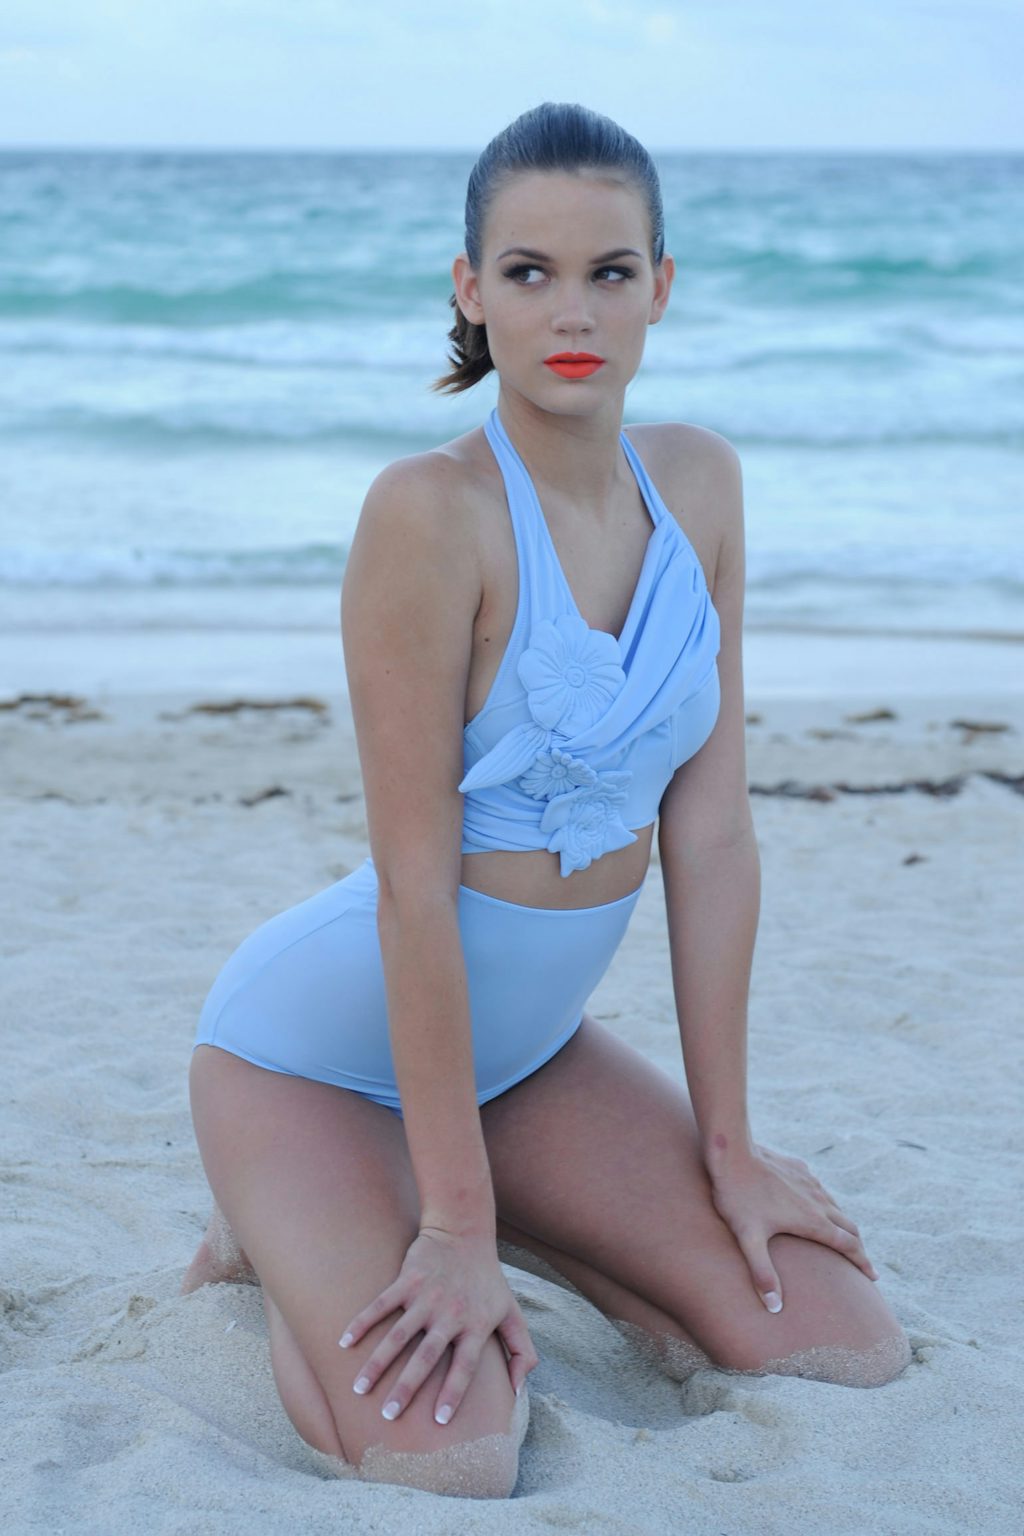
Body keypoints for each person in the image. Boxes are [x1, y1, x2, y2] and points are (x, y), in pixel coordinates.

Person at [184, 101, 910, 1501]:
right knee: (449, 1459)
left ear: (661, 286)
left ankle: (468, 1200)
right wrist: (450, 1233)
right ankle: (282, 1223)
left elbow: (712, 834)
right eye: (529, 272)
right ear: (471, 289)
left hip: (520, 1062)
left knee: (837, 1340)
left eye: (609, 271)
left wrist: (729, 1147)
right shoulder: (429, 513)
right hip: (312, 1063)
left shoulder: (700, 485)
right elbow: (414, 890)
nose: (572, 311)